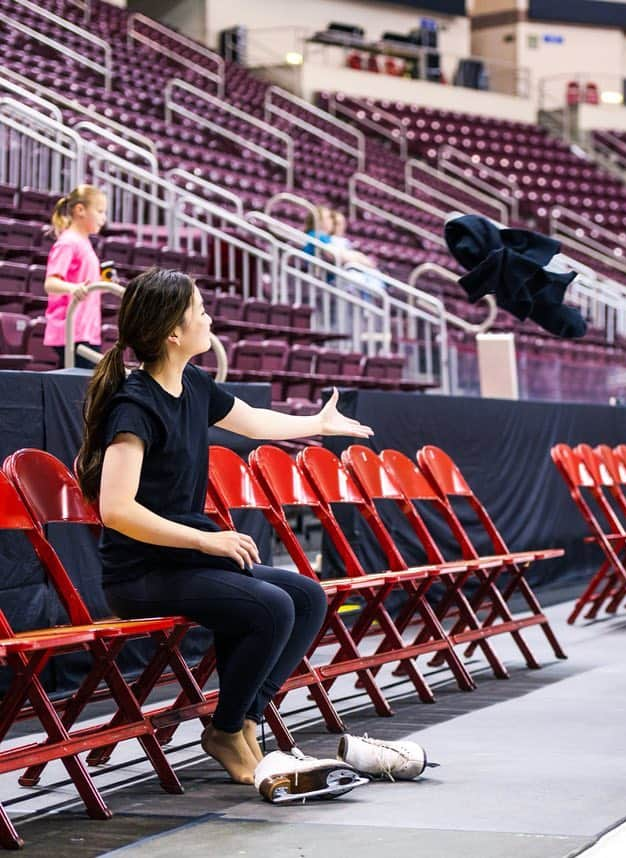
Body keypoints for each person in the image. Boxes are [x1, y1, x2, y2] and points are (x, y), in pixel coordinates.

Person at [75, 268, 375, 785]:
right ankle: (227, 730)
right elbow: (117, 510)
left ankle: (242, 724)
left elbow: (255, 421)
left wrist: (317, 425)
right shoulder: (135, 406)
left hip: (184, 561)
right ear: (174, 332)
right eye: (200, 309)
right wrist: (203, 537)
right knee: (271, 605)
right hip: (140, 574)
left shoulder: (192, 382)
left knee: (307, 596)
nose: (209, 316)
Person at [43, 185, 108, 369]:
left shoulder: (84, 243)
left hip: (87, 330)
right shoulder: (68, 242)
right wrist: (73, 288)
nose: (104, 218)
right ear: (80, 210)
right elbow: (51, 282)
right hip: (71, 331)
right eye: (100, 211)